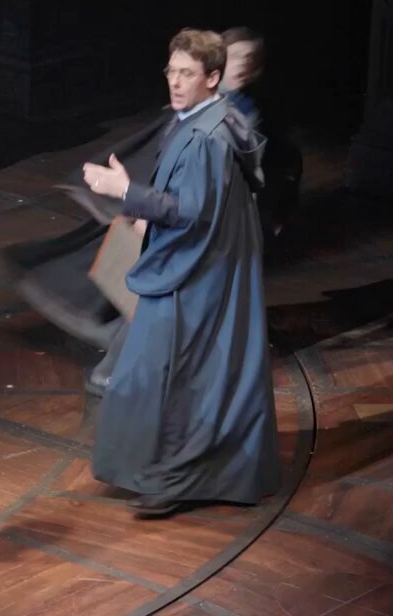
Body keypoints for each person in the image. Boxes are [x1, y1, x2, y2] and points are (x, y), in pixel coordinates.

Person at [82, 28, 281, 517]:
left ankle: (173, 480)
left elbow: (191, 212)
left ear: (211, 78)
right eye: (171, 71)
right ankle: (180, 475)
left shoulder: (206, 137)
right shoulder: (207, 120)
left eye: (186, 74)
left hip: (197, 277)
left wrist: (124, 191)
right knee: (190, 377)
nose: (174, 82)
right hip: (206, 269)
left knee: (169, 378)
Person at [221, 27, 302, 248]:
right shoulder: (199, 98)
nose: (242, 63)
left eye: (248, 58)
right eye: (235, 56)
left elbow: (282, 160)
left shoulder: (256, 109)